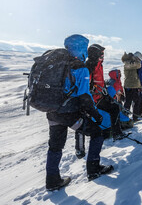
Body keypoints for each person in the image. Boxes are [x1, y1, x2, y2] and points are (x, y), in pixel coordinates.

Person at [45, 34, 113, 190]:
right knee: (97, 133)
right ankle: (93, 169)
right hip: (69, 113)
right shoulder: (80, 67)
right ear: (81, 48)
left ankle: (52, 181)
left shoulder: (57, 64)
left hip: (52, 111)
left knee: (55, 146)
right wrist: (97, 115)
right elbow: (84, 96)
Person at [85, 44, 123, 140]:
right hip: (93, 98)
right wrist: (92, 90)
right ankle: (110, 133)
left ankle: (116, 133)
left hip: (100, 95)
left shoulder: (99, 65)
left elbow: (99, 81)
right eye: (101, 54)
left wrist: (104, 89)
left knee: (115, 107)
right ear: (95, 54)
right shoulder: (90, 65)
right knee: (112, 109)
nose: (103, 56)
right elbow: (86, 83)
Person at [122, 52, 142, 122]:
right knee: (129, 102)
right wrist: (137, 61)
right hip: (130, 85)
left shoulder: (129, 62)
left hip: (132, 85)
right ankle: (125, 118)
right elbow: (138, 65)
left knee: (133, 101)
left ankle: (132, 117)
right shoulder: (128, 63)